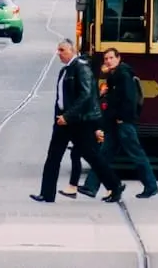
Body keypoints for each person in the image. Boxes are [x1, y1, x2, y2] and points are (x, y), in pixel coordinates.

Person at [30, 40, 125, 203]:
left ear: (72, 50)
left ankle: (115, 186)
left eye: (62, 50)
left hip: (79, 121)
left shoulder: (81, 68)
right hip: (63, 120)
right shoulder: (65, 70)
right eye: (58, 50)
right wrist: (60, 117)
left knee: (91, 155)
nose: (58, 53)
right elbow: (62, 97)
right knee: (53, 156)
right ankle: (46, 194)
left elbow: (86, 95)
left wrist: (68, 116)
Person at [80, 48, 158, 199]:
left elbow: (129, 99)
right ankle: (91, 186)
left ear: (118, 58)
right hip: (115, 123)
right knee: (104, 155)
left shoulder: (123, 75)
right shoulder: (114, 75)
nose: (108, 61)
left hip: (123, 123)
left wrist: (122, 118)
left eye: (111, 58)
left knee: (136, 154)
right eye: (106, 59)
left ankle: (151, 186)